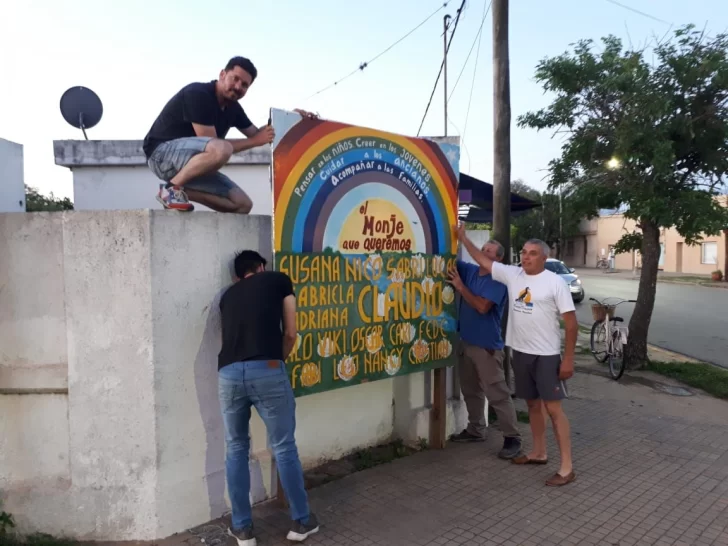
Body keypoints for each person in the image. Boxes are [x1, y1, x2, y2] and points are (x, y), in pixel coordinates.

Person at [456, 225, 578, 487]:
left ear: (544, 258)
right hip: (521, 353)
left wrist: (568, 359)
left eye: (532, 253)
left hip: (546, 355)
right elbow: (480, 258)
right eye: (523, 252)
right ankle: (538, 452)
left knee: (554, 410)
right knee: (533, 405)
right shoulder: (513, 275)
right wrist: (463, 238)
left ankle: (567, 467)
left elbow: (571, 323)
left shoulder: (555, 282)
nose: (526, 257)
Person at [218, 250, 319, 545]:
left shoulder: (227, 296)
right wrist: (280, 360)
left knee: (235, 448)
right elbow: (290, 332)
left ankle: (242, 529)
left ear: (238, 276)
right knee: (284, 447)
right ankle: (301, 522)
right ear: (261, 267)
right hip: (268, 368)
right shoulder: (278, 280)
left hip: (229, 374)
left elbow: (227, 340)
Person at [143, 56, 315, 213]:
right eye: (235, 79)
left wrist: (291, 119)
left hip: (190, 166)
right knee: (221, 149)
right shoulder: (198, 94)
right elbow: (214, 143)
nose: (238, 87)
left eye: (245, 85)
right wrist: (255, 142)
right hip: (161, 155)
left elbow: (257, 133)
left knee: (242, 204)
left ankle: (179, 192)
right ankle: (170, 190)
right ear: (222, 74)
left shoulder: (233, 108)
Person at [447, 239, 522, 460]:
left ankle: (512, 438)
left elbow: (482, 307)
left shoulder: (499, 280)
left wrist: (460, 287)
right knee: (470, 389)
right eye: (483, 250)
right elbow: (447, 260)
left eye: (490, 252)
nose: (484, 254)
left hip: (487, 348)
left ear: (499, 259)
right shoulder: (469, 271)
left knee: (497, 394)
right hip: (466, 342)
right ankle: (476, 429)